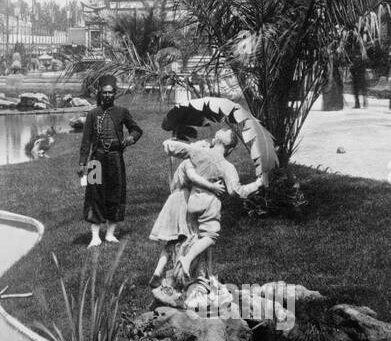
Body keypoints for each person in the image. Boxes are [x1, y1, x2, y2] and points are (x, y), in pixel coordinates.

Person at [149, 129, 264, 283]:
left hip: (193, 201)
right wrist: (258, 183)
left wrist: (179, 144)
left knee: (191, 235)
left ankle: (201, 273)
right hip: (209, 204)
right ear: (230, 148)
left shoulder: (198, 152)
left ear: (216, 140)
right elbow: (236, 191)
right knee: (210, 235)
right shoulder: (226, 166)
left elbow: (169, 146)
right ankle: (187, 260)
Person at [77, 76, 143, 247]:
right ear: (100, 93)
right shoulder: (93, 114)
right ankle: (95, 236)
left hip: (115, 158)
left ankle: (110, 234)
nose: (107, 95)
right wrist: (82, 163)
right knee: (94, 195)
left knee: (116, 193)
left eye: (110, 93)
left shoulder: (122, 112)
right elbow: (86, 141)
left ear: (115, 93)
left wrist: (130, 139)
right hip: (95, 159)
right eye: (104, 93)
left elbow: (136, 129)